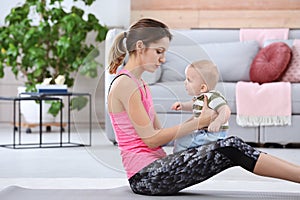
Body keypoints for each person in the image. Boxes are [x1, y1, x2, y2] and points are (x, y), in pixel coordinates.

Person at [107, 18, 300, 196]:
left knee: (232, 144)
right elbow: (150, 140)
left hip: (158, 168)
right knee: (231, 147)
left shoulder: (140, 84)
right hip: (148, 177)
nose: (163, 59)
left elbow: (158, 135)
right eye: (159, 51)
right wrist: (200, 122)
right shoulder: (125, 84)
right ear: (140, 47)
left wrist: (198, 122)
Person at [171, 60, 230, 152]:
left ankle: (177, 161)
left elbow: (225, 110)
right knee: (186, 137)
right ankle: (190, 157)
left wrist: (217, 122)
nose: (185, 82)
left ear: (203, 88)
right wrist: (182, 105)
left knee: (182, 141)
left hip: (214, 134)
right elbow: (192, 105)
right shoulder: (200, 98)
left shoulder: (212, 97)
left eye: (189, 80)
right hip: (205, 132)